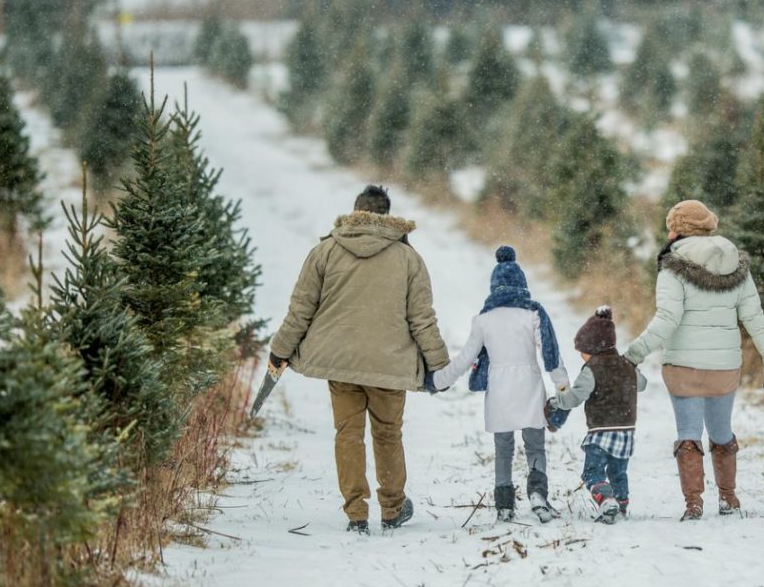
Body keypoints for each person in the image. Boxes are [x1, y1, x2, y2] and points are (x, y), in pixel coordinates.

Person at [269, 185, 450, 535]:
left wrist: (280, 350)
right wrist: (439, 365)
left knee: (347, 435)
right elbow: (422, 319)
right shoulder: (408, 258)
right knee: (387, 435)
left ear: (355, 212)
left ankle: (356, 513)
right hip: (390, 364)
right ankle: (393, 508)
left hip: (342, 362)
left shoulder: (325, 251)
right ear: (387, 216)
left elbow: (300, 309)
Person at [623, 199, 764, 521]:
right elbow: (754, 317)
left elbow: (668, 318)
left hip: (684, 367)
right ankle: (728, 498)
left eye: (671, 225)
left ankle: (694, 504)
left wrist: (632, 355)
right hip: (725, 366)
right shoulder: (735, 263)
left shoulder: (673, 266)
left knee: (688, 434)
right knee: (721, 432)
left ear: (678, 229)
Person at [427, 246, 569, 523]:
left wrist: (438, 380)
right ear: (522, 283)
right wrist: (563, 389)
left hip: (499, 389)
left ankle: (504, 505)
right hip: (529, 384)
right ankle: (538, 494)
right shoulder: (533, 313)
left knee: (503, 449)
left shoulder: (483, 320)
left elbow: (466, 358)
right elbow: (550, 353)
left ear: (494, 286)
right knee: (535, 447)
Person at [547, 306, 647, 524]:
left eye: (582, 351)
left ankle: (606, 500)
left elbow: (574, 398)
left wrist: (558, 399)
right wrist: (632, 369)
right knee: (618, 472)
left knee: (593, 472)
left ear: (593, 349)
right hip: (626, 431)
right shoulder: (626, 365)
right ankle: (620, 506)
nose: (582, 356)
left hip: (601, 431)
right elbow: (642, 384)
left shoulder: (591, 369)